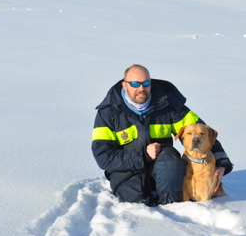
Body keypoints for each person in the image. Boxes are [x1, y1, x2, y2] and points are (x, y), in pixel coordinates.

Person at [91, 64, 233, 206]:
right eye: (135, 84)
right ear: (124, 85)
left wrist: (221, 163)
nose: (141, 88)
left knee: (171, 164)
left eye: (146, 83)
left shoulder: (168, 104)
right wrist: (142, 155)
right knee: (136, 201)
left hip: (163, 166)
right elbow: (103, 157)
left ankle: (171, 209)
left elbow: (203, 135)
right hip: (126, 170)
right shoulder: (108, 113)